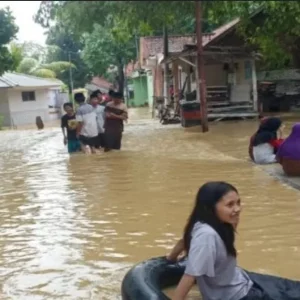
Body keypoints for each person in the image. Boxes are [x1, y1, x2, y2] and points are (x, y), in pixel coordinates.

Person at [169, 182, 300, 300]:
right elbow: (190, 276)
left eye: (238, 202)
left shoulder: (205, 223)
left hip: (242, 279)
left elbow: (183, 241)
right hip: (238, 295)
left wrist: (171, 258)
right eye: (230, 205)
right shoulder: (207, 236)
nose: (238, 209)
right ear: (210, 208)